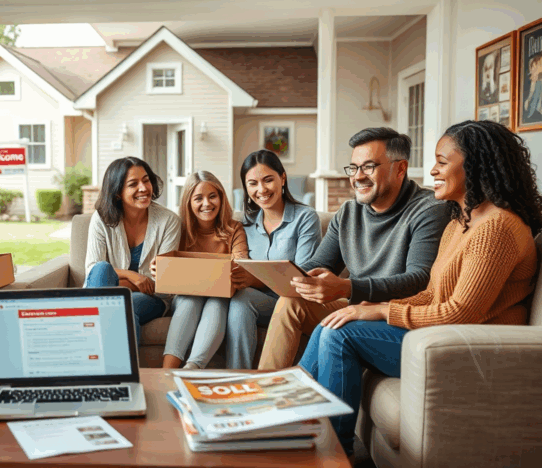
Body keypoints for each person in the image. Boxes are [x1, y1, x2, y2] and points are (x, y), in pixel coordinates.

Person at [298, 119, 542, 458]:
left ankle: (330, 450)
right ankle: (290, 414)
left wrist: (382, 309)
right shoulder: (462, 222)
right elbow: (432, 293)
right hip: (443, 334)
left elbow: (461, 312)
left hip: (466, 347)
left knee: (342, 333)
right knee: (336, 321)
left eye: (442, 162)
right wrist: (364, 307)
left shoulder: (497, 227)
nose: (432, 170)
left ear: (475, 164)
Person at [258, 127, 451, 370]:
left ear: (400, 169)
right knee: (290, 301)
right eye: (354, 168)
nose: (357, 176)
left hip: (391, 315)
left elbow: (419, 280)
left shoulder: (429, 209)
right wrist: (273, 273)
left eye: (369, 167)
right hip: (356, 308)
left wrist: (347, 287)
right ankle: (265, 390)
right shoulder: (348, 213)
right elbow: (319, 265)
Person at [225, 150, 322, 369]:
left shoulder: (305, 218)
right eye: (253, 183)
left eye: (268, 180)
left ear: (283, 178)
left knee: (244, 299)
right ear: (246, 188)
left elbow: (302, 277)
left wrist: (253, 280)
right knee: (240, 300)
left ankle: (242, 376)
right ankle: (239, 378)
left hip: (293, 305)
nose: (262, 190)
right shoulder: (244, 223)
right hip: (257, 304)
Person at [84, 157, 180, 344]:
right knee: (103, 268)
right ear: (118, 192)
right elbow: (93, 272)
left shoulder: (169, 221)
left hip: (152, 299)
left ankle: (109, 367)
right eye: (133, 184)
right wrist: (133, 276)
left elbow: (161, 283)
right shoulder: (101, 219)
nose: (144, 188)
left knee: (124, 306)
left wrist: (119, 283)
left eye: (146, 180)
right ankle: (124, 371)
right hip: (104, 289)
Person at [159, 171, 249, 369]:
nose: (207, 204)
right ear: (188, 202)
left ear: (221, 198)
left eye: (212, 196)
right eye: (198, 198)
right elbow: (165, 261)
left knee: (217, 300)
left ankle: (192, 368)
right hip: (185, 298)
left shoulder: (234, 229)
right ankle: (167, 371)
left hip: (220, 298)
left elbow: (241, 262)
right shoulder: (179, 229)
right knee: (192, 299)